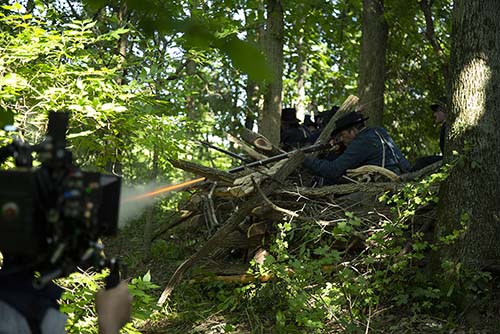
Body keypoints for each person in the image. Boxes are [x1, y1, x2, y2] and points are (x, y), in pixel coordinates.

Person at [303, 111, 410, 184]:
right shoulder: (377, 130)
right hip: (401, 176)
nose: (341, 139)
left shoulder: (362, 141)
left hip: (384, 186)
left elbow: (334, 169)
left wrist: (303, 160)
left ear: (353, 131)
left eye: (342, 134)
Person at [411, 98, 447, 171]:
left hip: (448, 160)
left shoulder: (447, 126)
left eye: (437, 111)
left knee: (421, 162)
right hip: (446, 159)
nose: (434, 114)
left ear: (444, 111)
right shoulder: (445, 126)